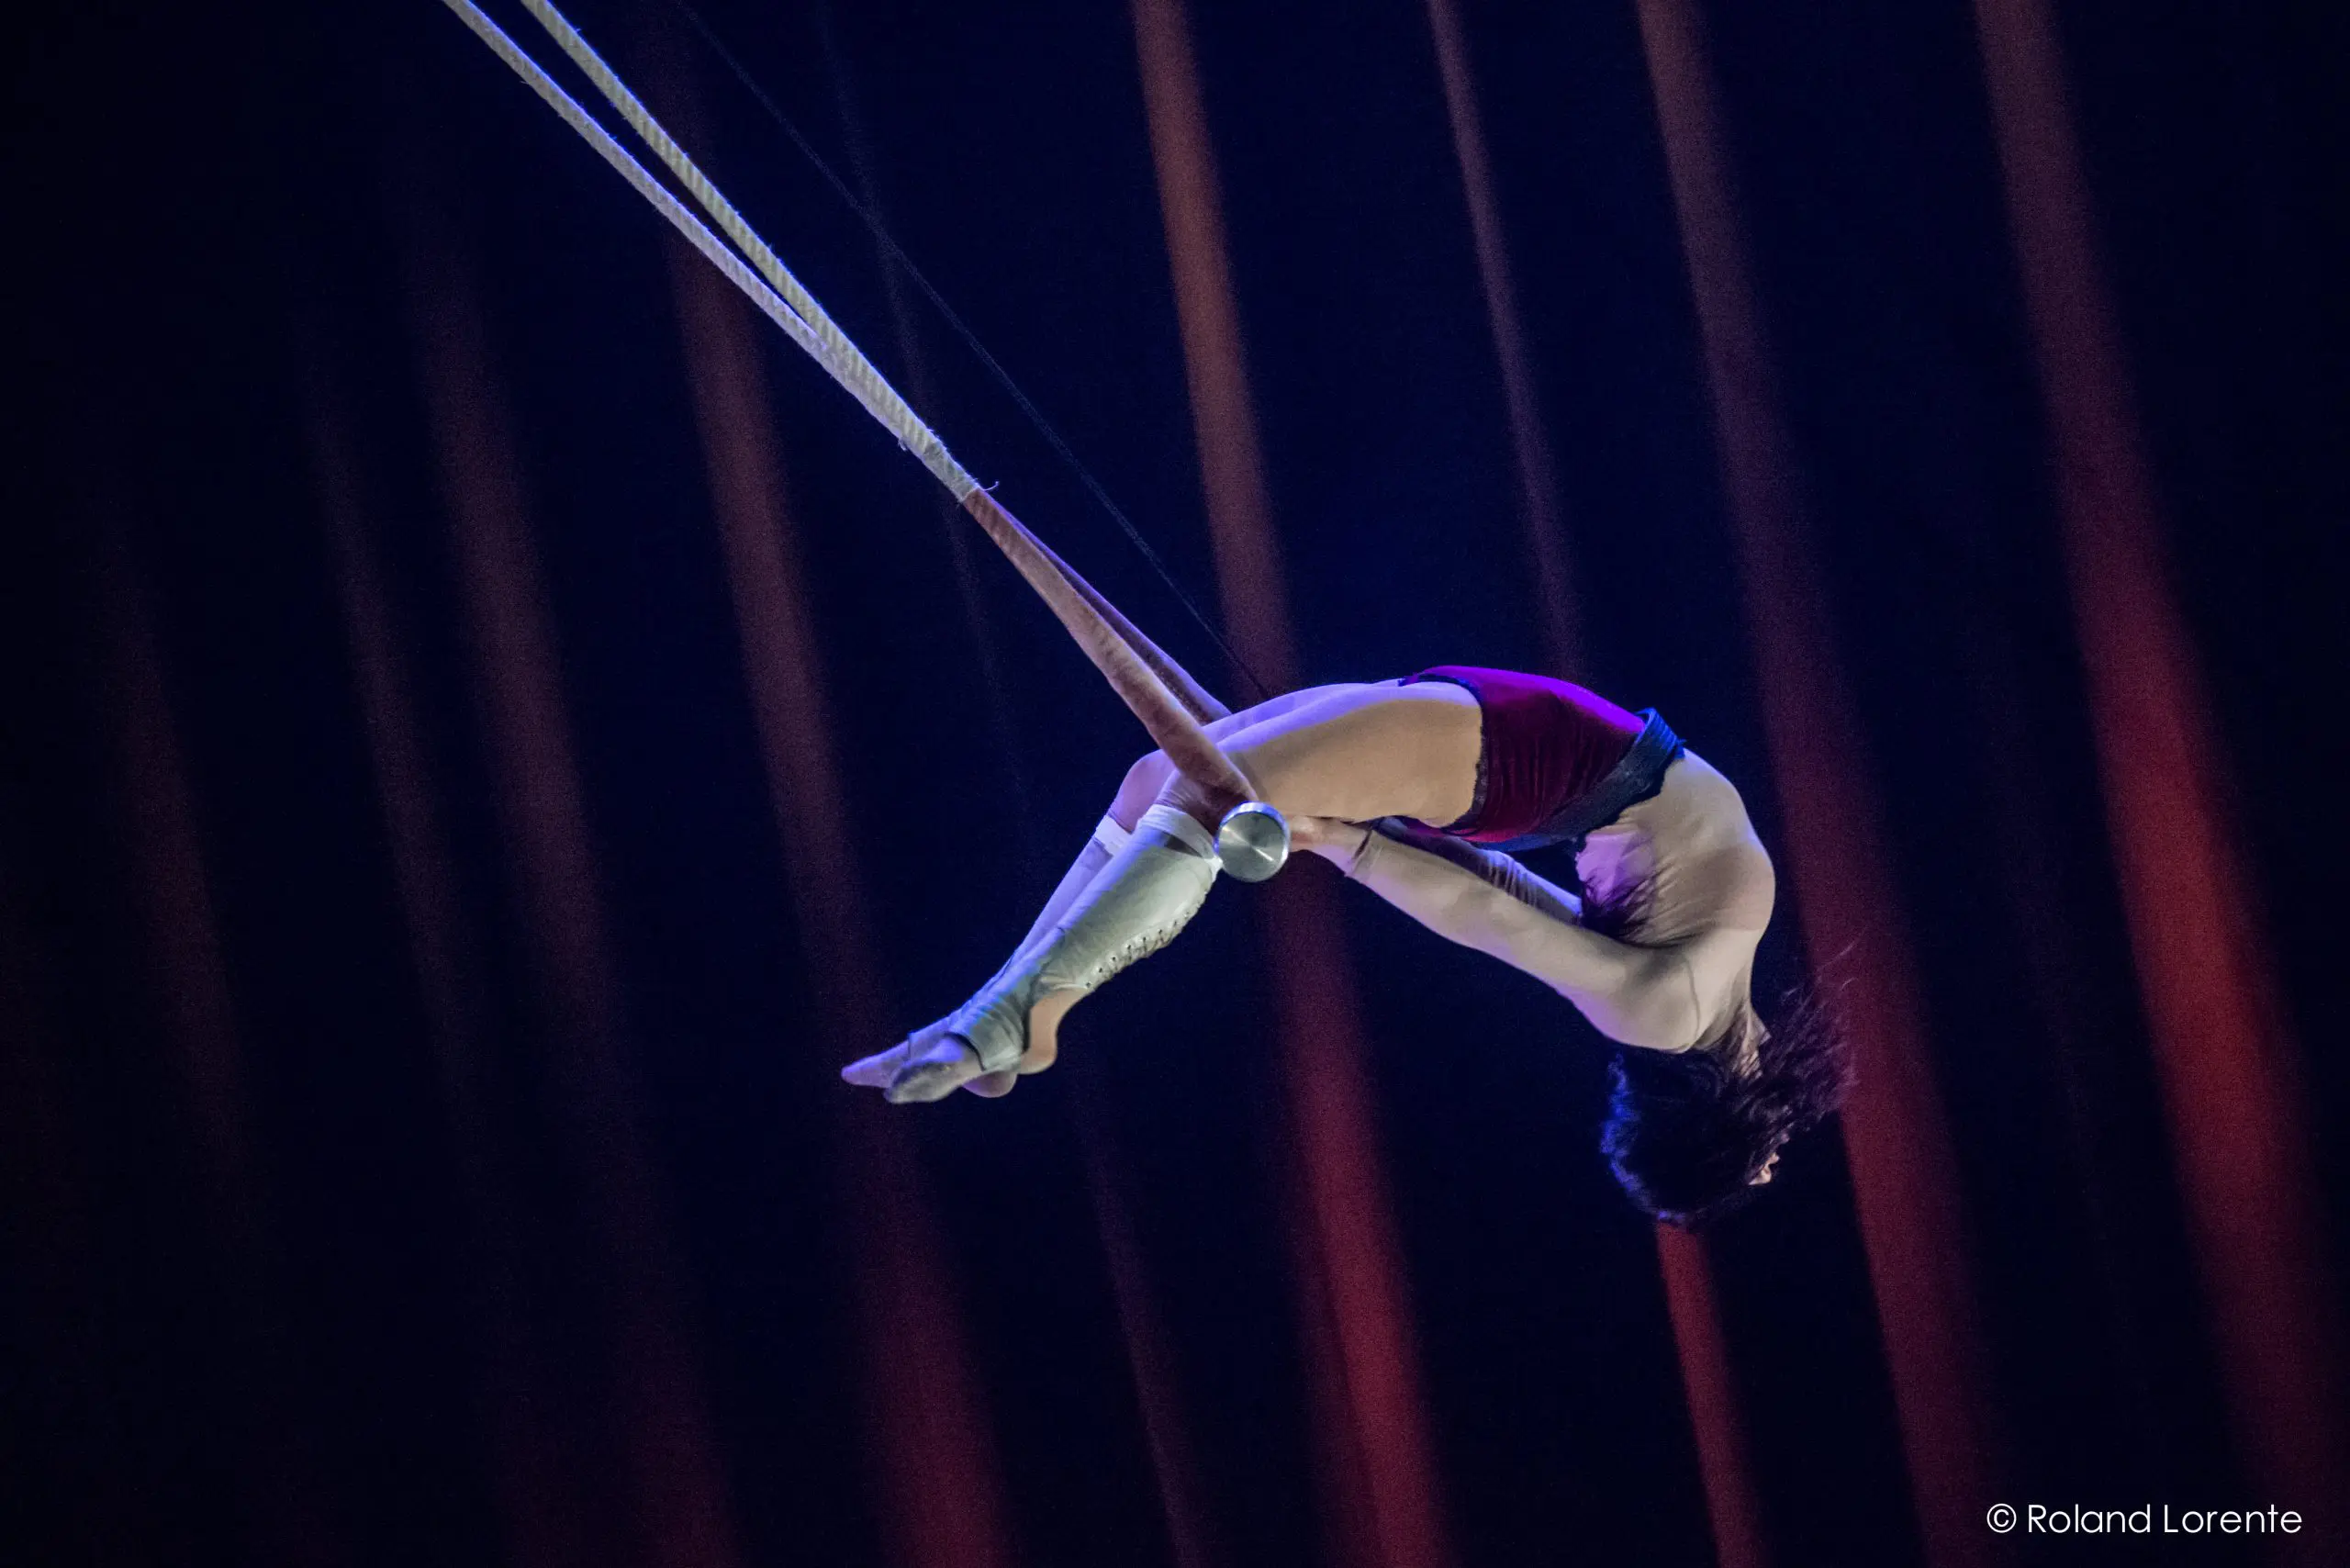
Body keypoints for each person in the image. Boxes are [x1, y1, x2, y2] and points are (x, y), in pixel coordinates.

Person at [842, 667, 1850, 1226]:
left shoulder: (1685, 1004)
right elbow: (1501, 901)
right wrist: (1359, 844)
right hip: (1528, 758)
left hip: (1524, 756)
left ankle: (1017, 1011)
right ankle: (1014, 1003)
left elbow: (1498, 914)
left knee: (1192, 792)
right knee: (1162, 777)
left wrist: (1359, 849)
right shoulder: (1692, 999)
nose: (1779, 1147)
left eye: (1765, 1147)